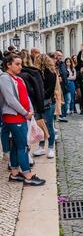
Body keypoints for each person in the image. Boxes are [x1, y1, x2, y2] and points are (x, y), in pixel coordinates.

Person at [0, 52, 45, 186]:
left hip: (22, 116)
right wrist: (25, 113)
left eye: (21, 64)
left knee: (16, 146)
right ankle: (27, 175)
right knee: (23, 146)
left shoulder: (18, 78)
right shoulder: (4, 78)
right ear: (8, 65)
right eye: (17, 64)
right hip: (14, 117)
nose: (20, 67)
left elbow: (25, 96)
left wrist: (30, 110)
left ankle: (14, 173)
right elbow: (10, 99)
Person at [33, 54, 57, 159]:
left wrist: (38, 95)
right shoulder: (36, 74)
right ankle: (41, 147)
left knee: (48, 125)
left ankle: (51, 148)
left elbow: (49, 91)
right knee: (40, 125)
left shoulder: (51, 73)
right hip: (39, 102)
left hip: (48, 102)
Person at [54, 50, 69, 123]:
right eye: (59, 55)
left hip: (65, 84)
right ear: (56, 56)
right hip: (58, 85)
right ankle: (60, 115)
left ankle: (64, 114)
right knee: (60, 100)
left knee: (65, 100)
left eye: (61, 55)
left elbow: (65, 72)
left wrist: (67, 73)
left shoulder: (62, 63)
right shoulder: (55, 64)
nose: (60, 57)